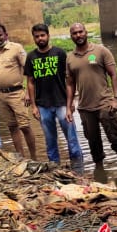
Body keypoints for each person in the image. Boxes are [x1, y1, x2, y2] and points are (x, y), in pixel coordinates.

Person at [66, 22, 117, 167]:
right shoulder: (69, 58)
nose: (78, 35)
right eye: (75, 33)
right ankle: (99, 172)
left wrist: (116, 98)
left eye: (80, 32)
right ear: (71, 36)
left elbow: (114, 75)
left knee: (114, 137)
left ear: (86, 32)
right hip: (85, 108)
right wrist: (69, 106)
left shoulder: (101, 51)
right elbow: (69, 84)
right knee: (93, 142)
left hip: (105, 103)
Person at [24, 23, 82, 165]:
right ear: (34, 38)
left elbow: (69, 80)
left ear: (48, 36)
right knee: (50, 142)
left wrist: (71, 103)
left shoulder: (60, 53)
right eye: (37, 37)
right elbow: (30, 82)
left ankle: (79, 169)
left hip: (62, 103)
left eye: (42, 35)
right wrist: (33, 106)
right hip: (43, 105)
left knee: (72, 139)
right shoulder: (31, 57)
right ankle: (55, 169)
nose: (40, 39)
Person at [0, 23, 37, 159]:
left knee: (25, 126)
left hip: (17, 93)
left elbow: (29, 71)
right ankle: (21, 158)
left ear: (6, 35)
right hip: (2, 95)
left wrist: (27, 92)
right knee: (12, 127)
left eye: (0, 35)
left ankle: (34, 158)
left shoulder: (16, 49)